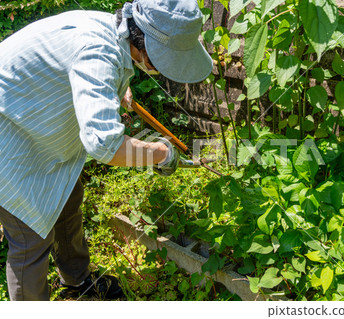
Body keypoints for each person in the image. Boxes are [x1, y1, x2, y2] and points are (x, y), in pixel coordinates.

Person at [0, 0, 212, 301]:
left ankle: (77, 280)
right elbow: (104, 144)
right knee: (30, 238)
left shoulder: (114, 33)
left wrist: (117, 85)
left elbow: (87, 72)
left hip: (35, 129)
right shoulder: (98, 51)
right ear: (145, 47)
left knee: (66, 198)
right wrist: (160, 154)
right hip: (9, 140)